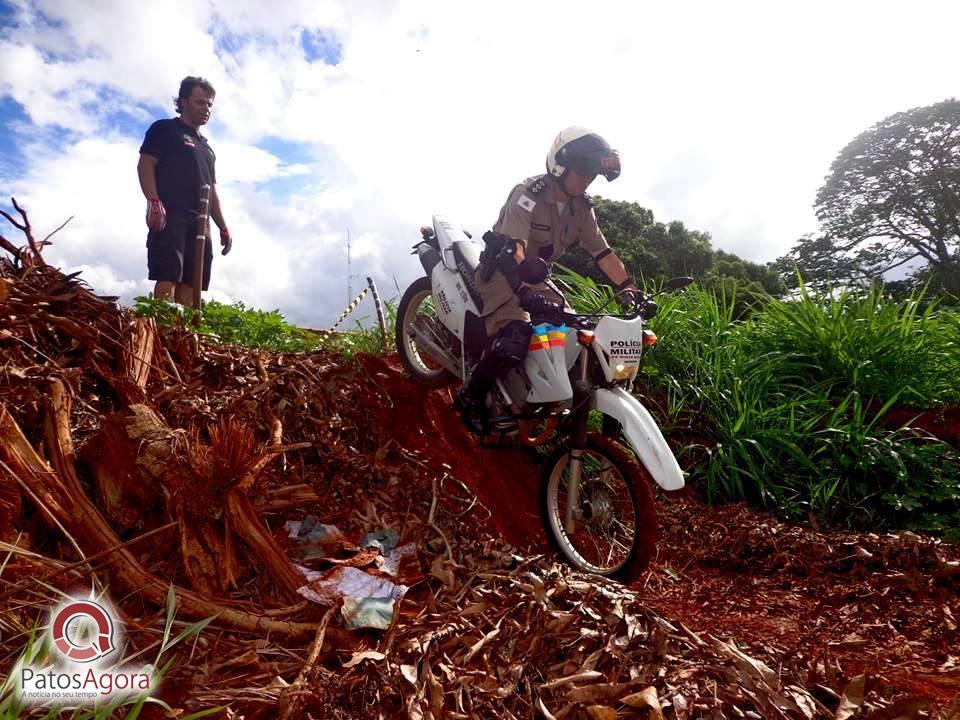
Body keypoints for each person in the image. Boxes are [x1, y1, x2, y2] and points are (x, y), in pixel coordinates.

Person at [454, 127, 638, 434]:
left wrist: (629, 287)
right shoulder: (529, 194)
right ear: (561, 166)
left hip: (536, 277)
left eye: (591, 174)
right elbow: (515, 247)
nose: (587, 180)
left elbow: (602, 252)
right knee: (515, 337)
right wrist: (524, 289)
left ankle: (547, 399)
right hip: (502, 273)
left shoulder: (582, 207)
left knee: (579, 333)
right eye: (583, 172)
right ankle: (470, 395)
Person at [137, 76, 232, 305]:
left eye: (209, 104)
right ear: (184, 101)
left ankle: (183, 336)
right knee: (168, 274)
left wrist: (223, 226)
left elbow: (212, 191)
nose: (206, 109)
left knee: (193, 281)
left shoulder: (207, 149)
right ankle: (162, 330)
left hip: (200, 223)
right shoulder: (166, 129)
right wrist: (153, 201)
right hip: (171, 214)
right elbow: (146, 164)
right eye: (200, 102)